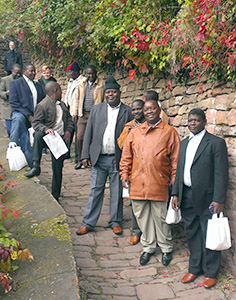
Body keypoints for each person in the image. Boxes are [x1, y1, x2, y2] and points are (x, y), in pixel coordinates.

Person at [171, 108, 228, 289]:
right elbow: (179, 170)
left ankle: (211, 272)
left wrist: (218, 199)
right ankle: (194, 268)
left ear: (204, 122)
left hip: (208, 198)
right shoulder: (184, 143)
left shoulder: (215, 143)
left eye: (196, 120)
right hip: (186, 195)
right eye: (190, 120)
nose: (192, 123)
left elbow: (221, 173)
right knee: (192, 233)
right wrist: (175, 193)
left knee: (209, 234)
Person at [120, 100, 180, 266]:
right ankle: (148, 247)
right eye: (147, 109)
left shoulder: (169, 132)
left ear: (159, 110)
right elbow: (126, 156)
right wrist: (124, 173)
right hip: (138, 183)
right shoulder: (135, 132)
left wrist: (174, 182)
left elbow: (176, 160)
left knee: (161, 217)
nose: (150, 112)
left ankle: (166, 248)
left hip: (159, 182)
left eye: (153, 108)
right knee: (142, 217)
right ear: (143, 113)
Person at [76, 75, 133, 236]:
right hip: (98, 158)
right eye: (108, 92)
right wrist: (84, 155)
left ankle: (115, 221)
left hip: (117, 158)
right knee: (95, 190)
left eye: (113, 92)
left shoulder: (127, 111)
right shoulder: (97, 109)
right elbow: (89, 133)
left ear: (119, 93)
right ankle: (88, 222)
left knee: (116, 191)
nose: (110, 95)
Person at [24, 82, 73, 201]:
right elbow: (36, 123)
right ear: (55, 90)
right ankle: (36, 164)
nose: (62, 92)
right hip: (48, 137)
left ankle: (56, 194)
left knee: (57, 167)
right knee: (38, 134)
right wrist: (46, 129)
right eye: (60, 90)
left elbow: (70, 120)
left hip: (59, 139)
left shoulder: (62, 105)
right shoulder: (42, 105)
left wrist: (68, 131)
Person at [117, 99, 145, 245]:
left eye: (139, 109)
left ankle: (149, 232)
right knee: (134, 202)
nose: (136, 112)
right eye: (134, 110)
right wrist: (130, 132)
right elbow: (122, 145)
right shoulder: (129, 126)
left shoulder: (152, 124)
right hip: (134, 168)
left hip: (149, 169)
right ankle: (135, 231)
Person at [9, 63, 45, 167]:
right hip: (22, 114)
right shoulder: (16, 84)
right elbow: (14, 103)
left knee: (32, 143)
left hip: (36, 117)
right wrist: (28, 115)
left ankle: (33, 165)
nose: (34, 73)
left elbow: (42, 101)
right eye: (31, 71)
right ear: (25, 71)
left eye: (34, 71)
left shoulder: (37, 85)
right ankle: (13, 143)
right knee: (18, 120)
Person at [70, 65, 104, 170]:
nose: (91, 75)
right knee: (80, 137)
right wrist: (74, 112)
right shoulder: (81, 84)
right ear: (85, 74)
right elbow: (76, 98)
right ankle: (80, 159)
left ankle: (91, 159)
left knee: (93, 138)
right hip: (83, 114)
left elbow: (104, 99)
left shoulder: (101, 84)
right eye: (89, 73)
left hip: (95, 115)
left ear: (96, 73)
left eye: (92, 73)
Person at [64, 61, 85, 162]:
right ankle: (66, 152)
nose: (69, 74)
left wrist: (75, 111)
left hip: (76, 111)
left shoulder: (82, 81)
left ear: (76, 72)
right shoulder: (71, 81)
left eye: (70, 72)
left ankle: (78, 157)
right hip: (68, 109)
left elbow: (79, 98)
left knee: (78, 134)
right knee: (68, 131)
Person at [0, 64, 22, 136]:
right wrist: (6, 93)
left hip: (19, 107)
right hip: (8, 108)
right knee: (10, 130)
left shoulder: (22, 80)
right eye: (16, 72)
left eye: (19, 72)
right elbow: (0, 92)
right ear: (12, 71)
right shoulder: (5, 80)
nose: (18, 74)